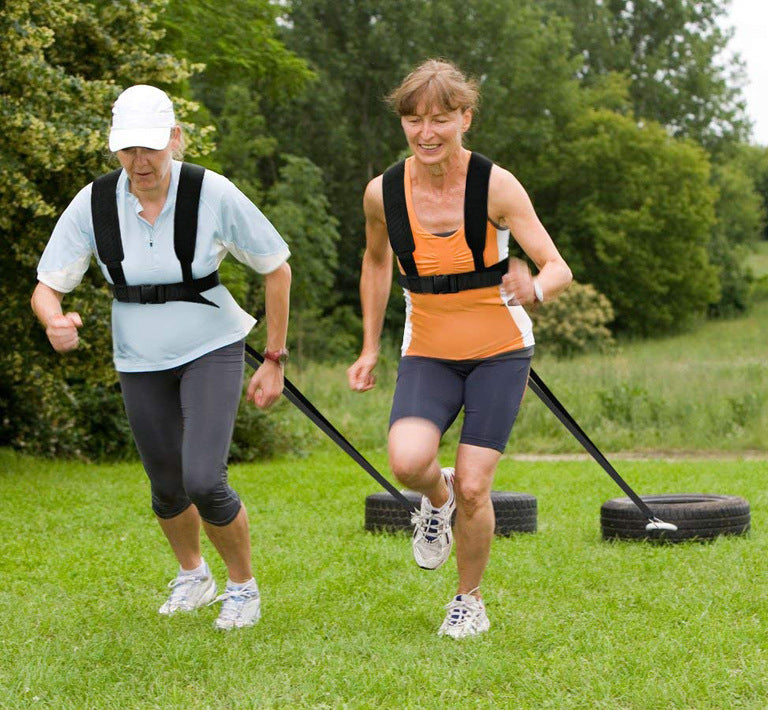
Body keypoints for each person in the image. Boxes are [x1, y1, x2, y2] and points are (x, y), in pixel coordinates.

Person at [31, 85, 292, 631]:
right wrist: (53, 319)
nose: (140, 161)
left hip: (210, 346)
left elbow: (276, 266)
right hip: (137, 355)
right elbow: (47, 285)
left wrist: (274, 357)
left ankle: (242, 588)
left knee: (203, 477)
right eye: (128, 149)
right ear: (114, 148)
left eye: (150, 146)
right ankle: (193, 576)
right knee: (166, 483)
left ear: (175, 138)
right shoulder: (96, 201)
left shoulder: (210, 191)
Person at [347, 59, 572, 639]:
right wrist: (370, 347)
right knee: (407, 461)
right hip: (428, 348)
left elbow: (556, 267)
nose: (427, 133)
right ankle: (435, 501)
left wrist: (535, 289)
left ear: (465, 119)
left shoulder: (496, 185)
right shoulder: (383, 193)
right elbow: (375, 264)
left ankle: (468, 600)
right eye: (414, 120)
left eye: (441, 119)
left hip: (500, 348)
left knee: (477, 484)